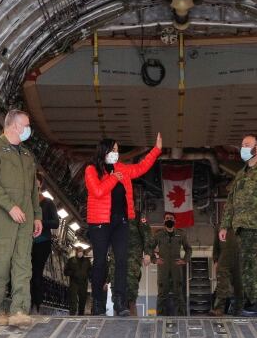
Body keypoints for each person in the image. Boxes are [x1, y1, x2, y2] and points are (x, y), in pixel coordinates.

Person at [85, 134, 162, 316]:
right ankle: (97, 302)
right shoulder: (91, 170)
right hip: (100, 223)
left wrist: (156, 150)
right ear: (104, 151)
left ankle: (120, 301)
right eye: (113, 150)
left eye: (118, 150)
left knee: (122, 261)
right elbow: (97, 191)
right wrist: (113, 178)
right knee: (100, 262)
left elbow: (141, 167)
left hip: (121, 222)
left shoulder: (122, 169)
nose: (116, 153)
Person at [0, 110, 42, 328]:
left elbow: (34, 190)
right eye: (26, 125)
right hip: (2, 216)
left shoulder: (27, 156)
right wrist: (10, 207)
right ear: (14, 126)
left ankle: (18, 310)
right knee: (1, 262)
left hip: (25, 217)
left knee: (23, 263)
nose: (28, 129)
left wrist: (37, 216)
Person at [219, 135, 257, 318]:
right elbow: (231, 201)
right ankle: (255, 302)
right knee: (247, 267)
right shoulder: (241, 173)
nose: (242, 148)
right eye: (242, 145)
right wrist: (224, 225)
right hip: (243, 228)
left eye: (247, 145)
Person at [151, 213, 193, 315]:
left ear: (174, 221)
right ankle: (160, 317)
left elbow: (188, 249)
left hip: (176, 267)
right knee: (162, 294)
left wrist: (184, 260)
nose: (169, 220)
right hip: (163, 267)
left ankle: (182, 317)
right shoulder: (158, 234)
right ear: (164, 221)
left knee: (178, 294)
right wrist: (154, 260)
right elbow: (149, 247)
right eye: (167, 218)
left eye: (171, 218)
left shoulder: (181, 234)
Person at [31, 173, 60, 313]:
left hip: (42, 243)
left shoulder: (48, 203)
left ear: (40, 184)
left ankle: (36, 303)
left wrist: (40, 222)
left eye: (35, 181)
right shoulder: (24, 201)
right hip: (26, 242)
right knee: (24, 272)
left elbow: (56, 223)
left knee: (36, 273)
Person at [212, 227, 243, 315]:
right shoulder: (220, 228)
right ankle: (218, 309)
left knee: (239, 286)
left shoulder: (243, 227)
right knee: (222, 285)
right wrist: (216, 261)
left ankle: (239, 309)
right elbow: (216, 246)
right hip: (224, 260)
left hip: (239, 260)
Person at [64, 247, 91, 315]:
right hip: (74, 282)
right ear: (76, 252)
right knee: (73, 298)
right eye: (79, 251)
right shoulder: (71, 260)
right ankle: (72, 313)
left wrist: (87, 275)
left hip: (83, 282)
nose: (80, 253)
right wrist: (73, 273)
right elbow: (65, 271)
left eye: (81, 252)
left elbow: (90, 270)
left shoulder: (87, 261)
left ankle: (81, 313)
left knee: (83, 299)